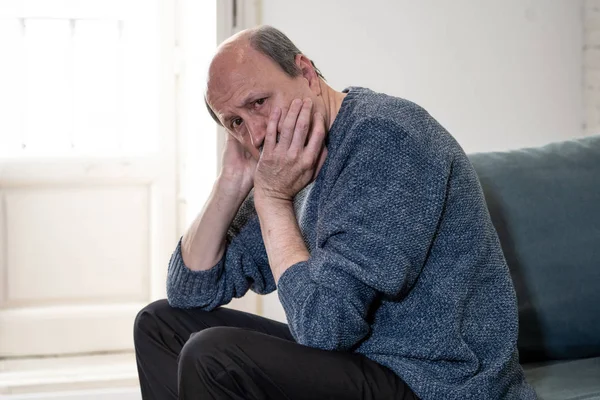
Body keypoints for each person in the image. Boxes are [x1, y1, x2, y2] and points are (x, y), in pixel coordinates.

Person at [134, 25, 537, 400]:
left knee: (214, 356)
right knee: (160, 324)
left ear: (306, 74)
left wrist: (272, 200)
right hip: (362, 361)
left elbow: (325, 328)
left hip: (435, 382)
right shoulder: (288, 157)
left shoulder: (387, 139)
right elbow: (189, 290)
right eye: (235, 121)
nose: (255, 134)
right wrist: (231, 181)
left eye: (259, 103)